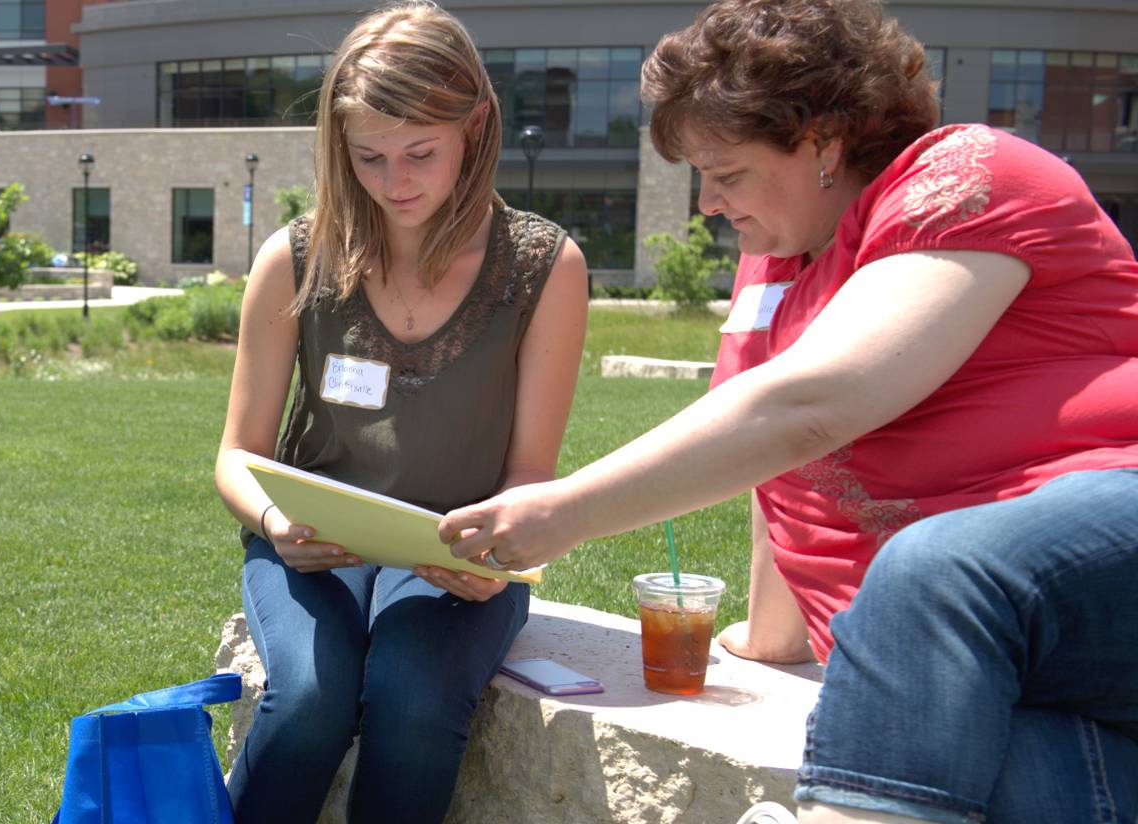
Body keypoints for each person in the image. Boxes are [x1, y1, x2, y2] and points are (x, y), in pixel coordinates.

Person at [434, 2, 1138, 822]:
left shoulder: (968, 174)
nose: (705, 203)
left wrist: (563, 511)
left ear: (824, 142)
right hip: (981, 660)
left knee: (936, 565)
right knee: (1008, 778)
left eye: (725, 172)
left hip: (1094, 550)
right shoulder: (774, 262)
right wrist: (773, 642)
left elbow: (808, 408)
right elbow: (776, 461)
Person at [211, 3, 589, 821]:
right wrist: (277, 525)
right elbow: (237, 456)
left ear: (476, 127)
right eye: (369, 158)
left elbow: (530, 473)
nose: (395, 183)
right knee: (310, 698)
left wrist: (498, 554)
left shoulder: (545, 268)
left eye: (420, 153)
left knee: (414, 702)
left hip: (462, 559)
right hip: (311, 547)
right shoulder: (295, 259)